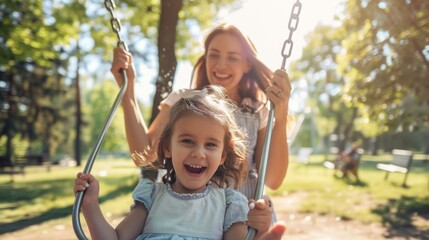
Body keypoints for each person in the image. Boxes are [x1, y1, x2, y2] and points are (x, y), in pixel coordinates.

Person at [111, 23, 291, 234]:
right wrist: (128, 90)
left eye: (232, 57)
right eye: (214, 55)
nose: (221, 64)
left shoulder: (257, 111)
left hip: (241, 223)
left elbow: (273, 179)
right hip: (190, 222)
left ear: (247, 65)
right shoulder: (184, 101)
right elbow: (144, 152)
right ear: (205, 58)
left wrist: (280, 114)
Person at [75, 86, 266, 239]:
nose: (198, 153)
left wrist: (260, 231)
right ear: (167, 147)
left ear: (223, 155)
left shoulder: (228, 205)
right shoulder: (151, 197)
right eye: (187, 141)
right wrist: (90, 206)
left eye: (210, 144)